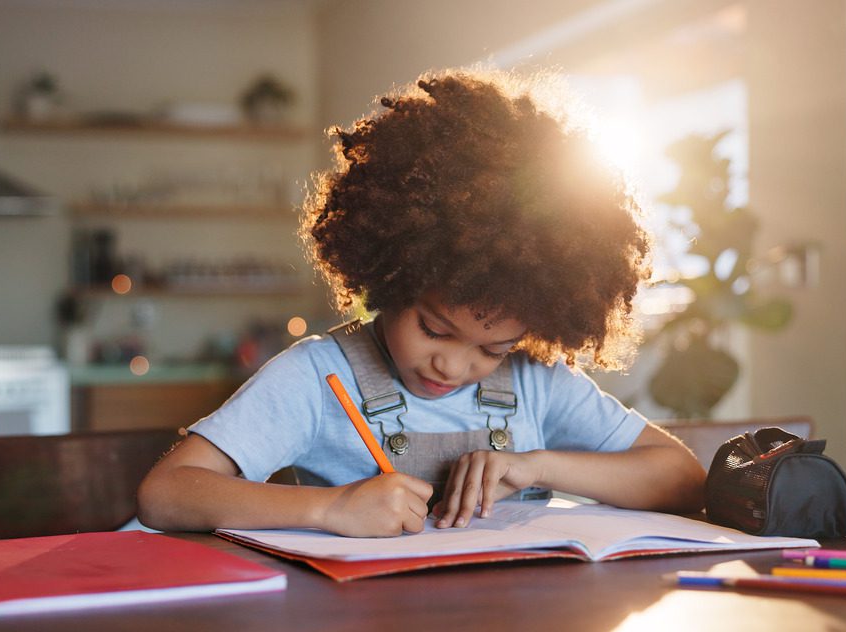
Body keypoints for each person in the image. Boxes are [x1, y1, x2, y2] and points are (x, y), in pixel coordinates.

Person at [137, 68, 706, 538]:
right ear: (388, 279)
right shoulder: (317, 378)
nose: (453, 366)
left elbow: (680, 477)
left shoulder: (536, 382)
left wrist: (537, 465)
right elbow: (165, 495)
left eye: (492, 348)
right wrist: (328, 509)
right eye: (434, 330)